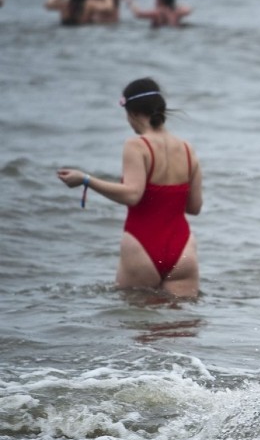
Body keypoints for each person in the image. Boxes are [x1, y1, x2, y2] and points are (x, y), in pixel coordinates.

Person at [57, 78, 203, 298]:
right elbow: (194, 207)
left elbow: (133, 195)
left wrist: (86, 180)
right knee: (180, 327)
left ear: (133, 113)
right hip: (183, 249)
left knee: (137, 324)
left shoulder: (136, 145)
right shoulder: (187, 149)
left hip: (142, 245)